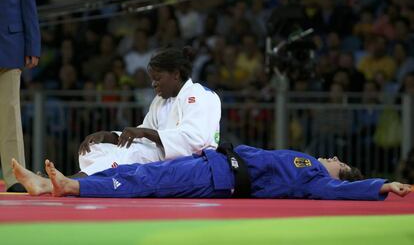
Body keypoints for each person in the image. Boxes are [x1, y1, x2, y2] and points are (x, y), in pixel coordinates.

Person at [12, 145, 411, 200]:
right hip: (213, 161)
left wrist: (379, 185)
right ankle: (49, 184)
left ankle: (70, 187)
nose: (331, 158)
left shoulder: (316, 179)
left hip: (217, 179)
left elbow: (339, 193)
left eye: (338, 161)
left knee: (144, 182)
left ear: (342, 174)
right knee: (136, 168)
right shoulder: (303, 161)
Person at [77, 47, 221, 176]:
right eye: (152, 79)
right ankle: (90, 177)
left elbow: (193, 142)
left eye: (157, 78)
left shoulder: (198, 95)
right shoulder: (160, 100)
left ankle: (78, 180)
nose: (153, 84)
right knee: (93, 149)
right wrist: (109, 136)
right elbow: (141, 137)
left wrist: (145, 133)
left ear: (176, 74)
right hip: (158, 155)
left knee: (132, 153)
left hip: (192, 163)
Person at [0, 0, 41, 192]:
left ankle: (15, 176)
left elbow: (28, 4)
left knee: (10, 113)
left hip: (8, 44)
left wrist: (32, 45)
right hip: (9, 41)